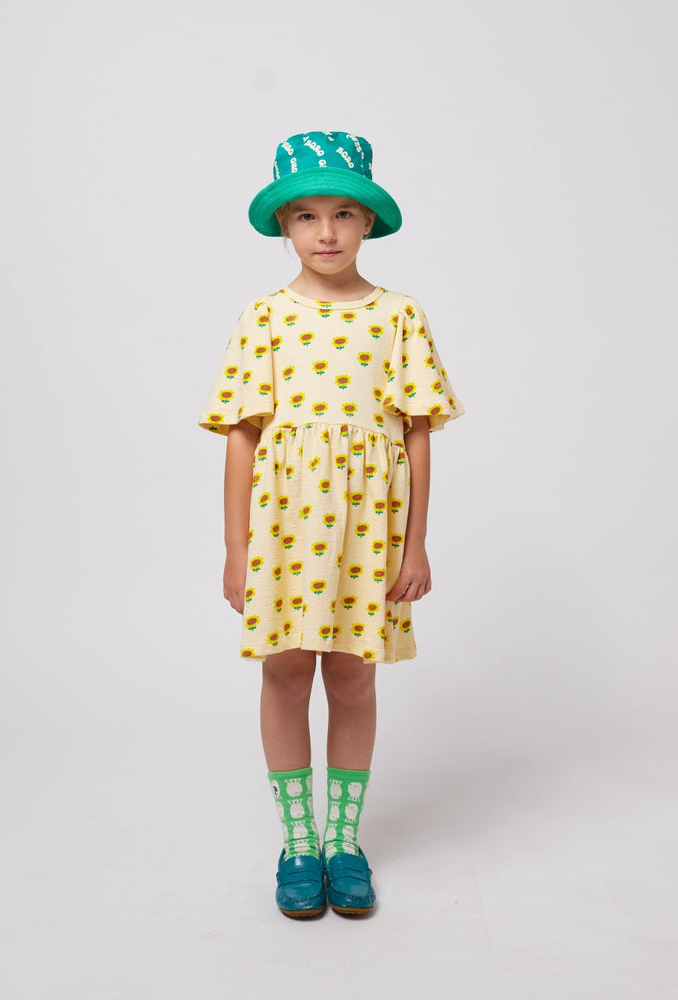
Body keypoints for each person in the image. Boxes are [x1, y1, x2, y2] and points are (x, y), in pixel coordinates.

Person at [198, 131, 465, 918]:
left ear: (368, 222)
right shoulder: (264, 318)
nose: (326, 232)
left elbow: (418, 434)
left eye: (344, 213)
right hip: (285, 530)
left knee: (352, 676)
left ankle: (344, 842)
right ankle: (299, 842)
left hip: (368, 532)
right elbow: (242, 436)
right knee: (285, 673)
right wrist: (236, 549)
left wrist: (416, 544)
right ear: (284, 225)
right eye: (307, 215)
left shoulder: (400, 317)